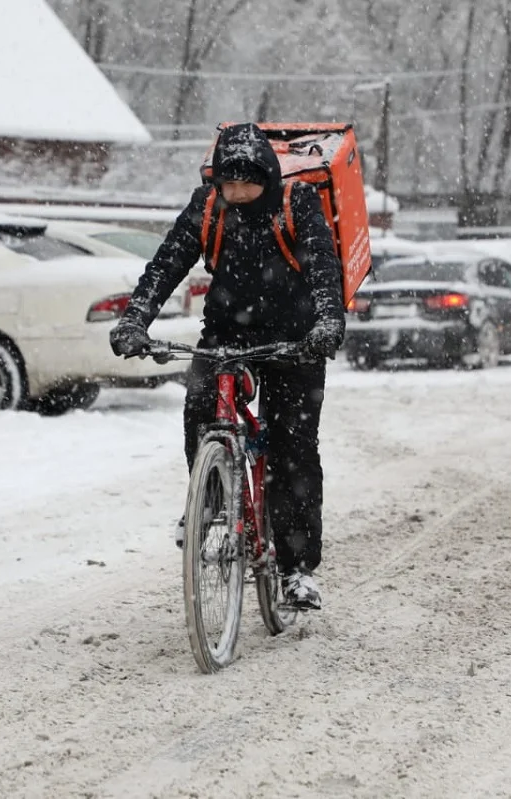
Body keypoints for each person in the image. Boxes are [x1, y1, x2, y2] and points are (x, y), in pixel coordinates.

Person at [108, 122, 346, 611]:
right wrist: (135, 318)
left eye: (246, 182)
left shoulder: (296, 204)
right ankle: (210, 499)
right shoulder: (208, 206)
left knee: (292, 447)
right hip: (227, 334)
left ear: (267, 177)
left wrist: (327, 324)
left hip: (295, 341)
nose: (236, 193)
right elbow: (165, 264)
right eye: (227, 182)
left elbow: (325, 268)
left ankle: (296, 570)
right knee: (199, 404)